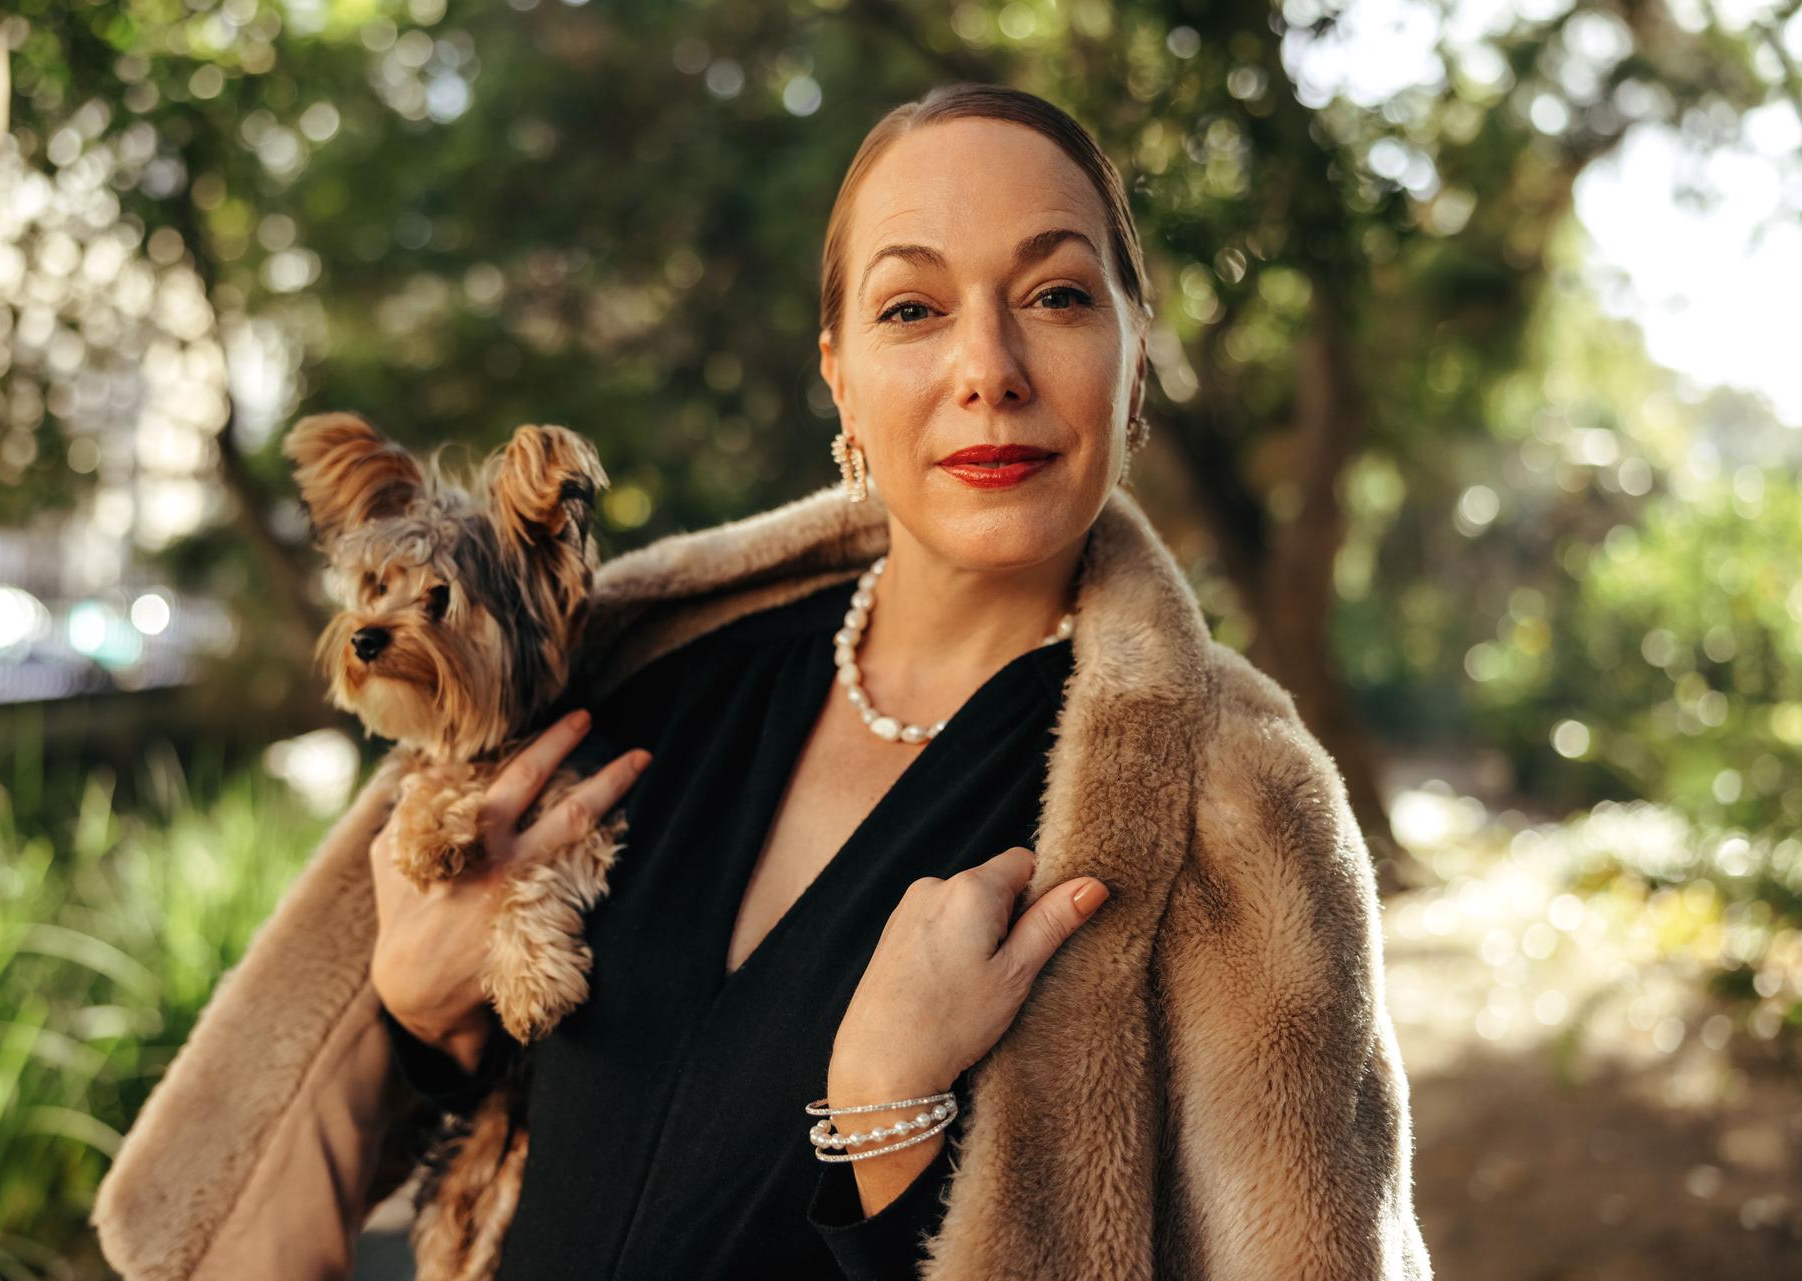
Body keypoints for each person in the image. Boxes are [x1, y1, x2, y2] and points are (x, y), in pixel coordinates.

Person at [92, 83, 1432, 1281]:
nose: (988, 369)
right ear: (840, 378)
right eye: (912, 309)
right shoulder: (652, 683)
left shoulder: (1234, 814)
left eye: (1058, 296)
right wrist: (417, 1011)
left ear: (1136, 356)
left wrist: (886, 1120)